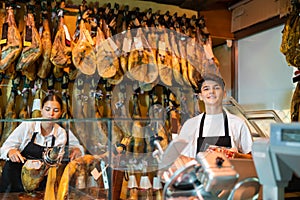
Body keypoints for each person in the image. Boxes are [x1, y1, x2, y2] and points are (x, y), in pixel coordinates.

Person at [0, 91, 83, 193]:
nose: (51, 114)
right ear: (41, 110)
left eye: (56, 110)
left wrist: (77, 150)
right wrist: (10, 152)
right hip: (15, 180)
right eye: (47, 109)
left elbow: (58, 160)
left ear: (61, 113)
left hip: (40, 183)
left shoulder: (61, 133)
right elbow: (3, 149)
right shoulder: (28, 125)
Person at [178, 73, 253, 158]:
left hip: (230, 171)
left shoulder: (238, 123)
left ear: (224, 94)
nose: (211, 92)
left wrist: (236, 156)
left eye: (216, 88)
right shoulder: (190, 125)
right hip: (201, 171)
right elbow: (182, 158)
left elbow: (252, 158)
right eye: (206, 89)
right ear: (200, 96)